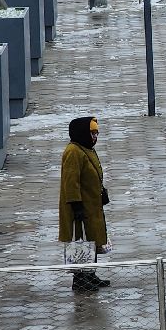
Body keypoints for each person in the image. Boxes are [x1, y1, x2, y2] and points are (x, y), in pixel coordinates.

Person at [60, 116, 110, 291]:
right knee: (80, 241)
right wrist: (76, 205)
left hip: (91, 205)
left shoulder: (86, 148)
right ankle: (80, 279)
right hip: (80, 207)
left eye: (96, 133)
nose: (95, 137)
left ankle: (90, 274)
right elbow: (71, 181)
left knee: (92, 239)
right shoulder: (74, 151)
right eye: (92, 133)